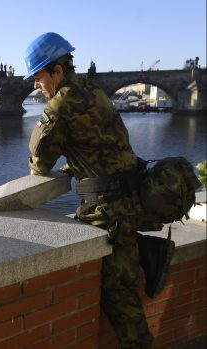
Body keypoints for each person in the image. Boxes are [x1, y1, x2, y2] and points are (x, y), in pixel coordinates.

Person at [23, 32, 160, 348]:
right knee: (123, 285)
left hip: (108, 210)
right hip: (130, 199)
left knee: (119, 296)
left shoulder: (60, 106)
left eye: (38, 77)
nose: (35, 85)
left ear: (56, 72)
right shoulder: (95, 91)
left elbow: (38, 164)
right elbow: (101, 145)